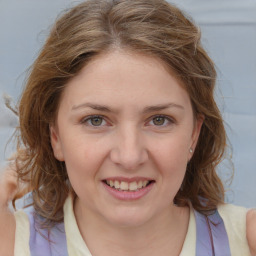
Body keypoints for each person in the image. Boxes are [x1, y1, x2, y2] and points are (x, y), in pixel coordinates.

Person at [0, 0, 255, 255]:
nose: (130, 157)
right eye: (96, 120)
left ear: (194, 134)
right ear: (55, 136)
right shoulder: (11, 243)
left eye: (159, 120)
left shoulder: (247, 240)